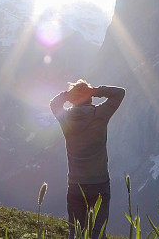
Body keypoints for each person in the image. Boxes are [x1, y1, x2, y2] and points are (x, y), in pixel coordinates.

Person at [50, 79, 126, 239]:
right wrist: (95, 90)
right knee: (97, 234)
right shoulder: (100, 114)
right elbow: (120, 92)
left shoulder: (65, 119)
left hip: (75, 185)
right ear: (90, 97)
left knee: (75, 233)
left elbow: (54, 103)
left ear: (72, 100)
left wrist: (68, 94)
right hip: (100, 184)